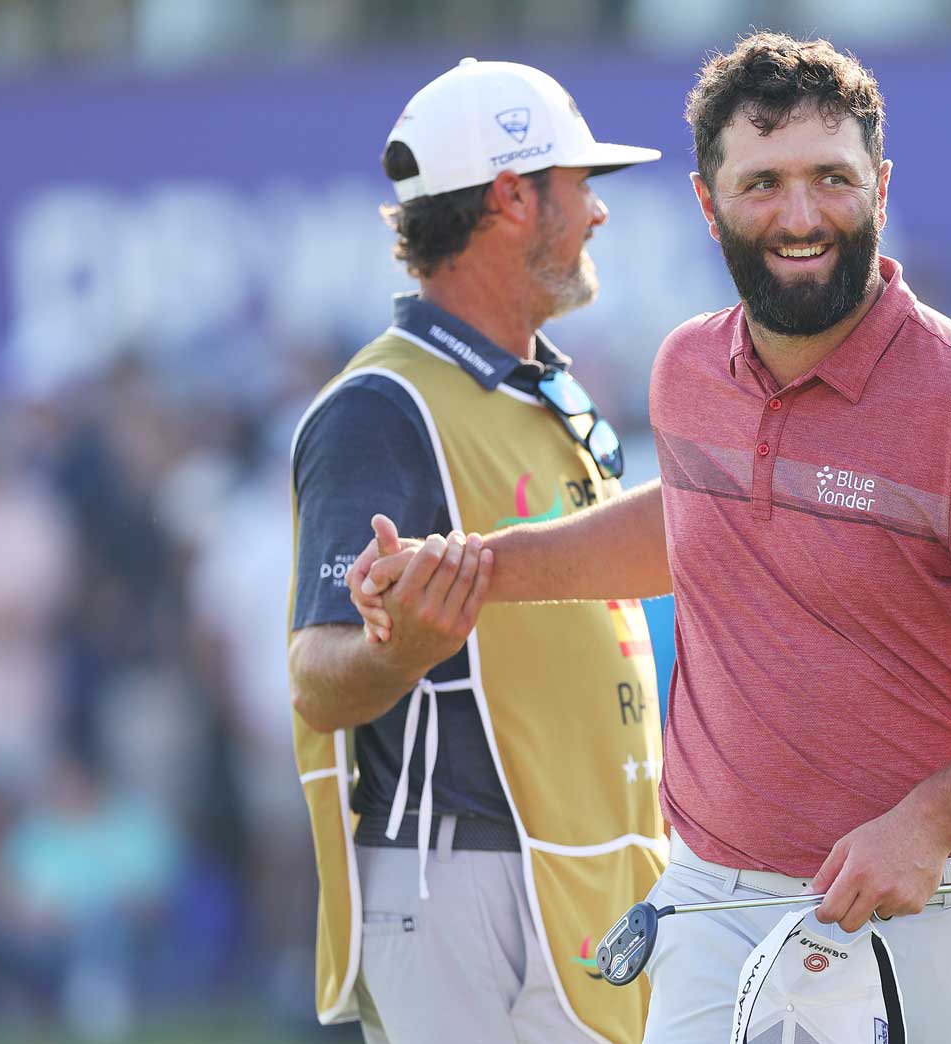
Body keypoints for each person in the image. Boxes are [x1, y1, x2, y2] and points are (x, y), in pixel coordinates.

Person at [353, 33, 951, 1042]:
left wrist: (928, 823)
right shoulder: (688, 366)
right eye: (763, 182)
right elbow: (697, 520)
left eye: (832, 179)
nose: (800, 215)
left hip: (940, 900)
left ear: (879, 185)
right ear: (706, 200)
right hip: (713, 900)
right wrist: (477, 569)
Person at [285, 58, 668, 1044]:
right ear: (510, 198)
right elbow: (317, 679)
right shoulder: (379, 407)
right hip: (454, 873)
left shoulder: (541, 389)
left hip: (574, 862)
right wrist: (397, 647)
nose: (596, 213)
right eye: (579, 185)